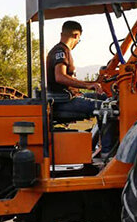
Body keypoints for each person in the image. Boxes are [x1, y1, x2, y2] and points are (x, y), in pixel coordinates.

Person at [46, 20, 116, 158]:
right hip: (64, 101)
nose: (78, 42)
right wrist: (87, 85)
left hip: (67, 97)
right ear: (77, 35)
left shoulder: (59, 50)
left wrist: (93, 83)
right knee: (109, 109)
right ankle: (108, 153)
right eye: (79, 39)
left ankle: (99, 146)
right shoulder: (61, 51)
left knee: (107, 99)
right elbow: (60, 77)